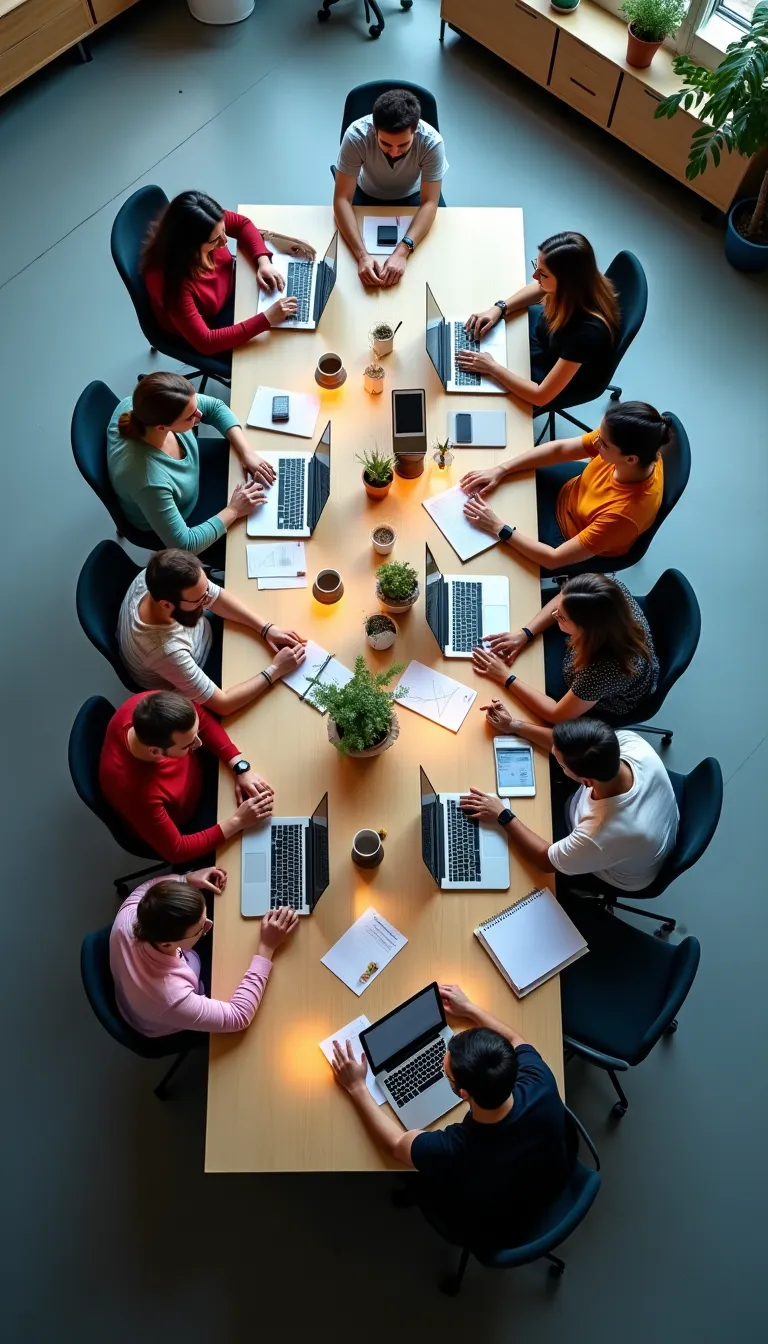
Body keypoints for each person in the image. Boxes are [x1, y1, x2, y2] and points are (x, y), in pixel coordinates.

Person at [331, 983, 568, 1247]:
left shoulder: (455, 1149)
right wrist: (469, 1009)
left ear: (463, 1093)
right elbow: (515, 1041)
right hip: (550, 1178)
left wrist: (356, 1087)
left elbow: (396, 1144)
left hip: (499, 1224)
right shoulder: (540, 1079)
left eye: (446, 1074)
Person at [461, 709, 679, 893]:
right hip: (648, 828)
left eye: (562, 765)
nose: (559, 763)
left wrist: (502, 814)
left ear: (586, 781)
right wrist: (515, 726)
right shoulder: (628, 743)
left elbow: (545, 861)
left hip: (615, 867)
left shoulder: (600, 834)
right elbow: (563, 747)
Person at [461, 401, 669, 569]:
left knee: (488, 552)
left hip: (567, 533)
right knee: (503, 486)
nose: (596, 443)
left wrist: (499, 528)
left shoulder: (623, 516)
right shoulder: (640, 450)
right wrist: (501, 469)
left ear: (631, 459)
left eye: (603, 444)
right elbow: (560, 449)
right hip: (575, 489)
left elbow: (553, 559)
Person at [110, 865, 298, 1036]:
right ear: (167, 944)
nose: (210, 925)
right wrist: (266, 947)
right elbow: (239, 1017)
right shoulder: (170, 995)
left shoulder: (132, 911)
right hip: (165, 1015)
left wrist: (188, 879)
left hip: (137, 989)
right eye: (201, 928)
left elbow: (148, 887)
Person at [117, 548, 306, 715]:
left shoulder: (154, 577)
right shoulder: (166, 651)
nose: (207, 599)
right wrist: (275, 670)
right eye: (199, 600)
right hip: (193, 669)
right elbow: (224, 705)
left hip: (196, 640)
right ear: (166, 604)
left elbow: (215, 596)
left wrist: (266, 628)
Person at [99, 690, 274, 864]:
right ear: (155, 751)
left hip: (199, 776)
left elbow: (201, 719)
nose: (199, 743)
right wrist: (238, 821)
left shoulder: (152, 705)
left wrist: (239, 765)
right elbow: (177, 850)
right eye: (189, 744)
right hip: (189, 821)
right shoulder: (135, 793)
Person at [108, 373, 271, 555]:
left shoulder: (141, 406)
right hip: (185, 512)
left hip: (190, 475)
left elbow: (215, 407)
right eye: (190, 417)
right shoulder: (149, 481)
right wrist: (234, 510)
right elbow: (185, 545)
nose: (199, 414)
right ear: (161, 427)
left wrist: (246, 452)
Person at [459, 231, 619, 409]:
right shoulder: (581, 284)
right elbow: (540, 288)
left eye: (543, 274)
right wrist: (499, 308)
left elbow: (540, 396)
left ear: (567, 282)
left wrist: (492, 368)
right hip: (546, 341)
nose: (535, 277)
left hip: (552, 373)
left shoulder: (586, 333)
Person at [472, 573, 659, 723]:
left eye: (561, 617)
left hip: (607, 696)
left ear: (585, 630)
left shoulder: (602, 672)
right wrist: (526, 634)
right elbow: (564, 598)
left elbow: (556, 714)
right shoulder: (606, 589)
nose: (554, 614)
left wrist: (505, 676)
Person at [142, 190, 304, 357]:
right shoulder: (173, 285)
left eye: (224, 231)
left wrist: (263, 262)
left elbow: (243, 224)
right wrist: (267, 318)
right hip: (211, 323)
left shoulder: (208, 222)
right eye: (215, 241)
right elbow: (206, 342)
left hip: (232, 289)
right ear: (189, 246)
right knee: (279, 348)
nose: (225, 241)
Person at [333, 88, 447, 289]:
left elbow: (430, 201)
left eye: (403, 145)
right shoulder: (356, 135)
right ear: (374, 129)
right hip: (366, 193)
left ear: (415, 130)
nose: (394, 152)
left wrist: (402, 252)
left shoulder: (432, 142)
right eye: (386, 144)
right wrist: (362, 255)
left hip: (411, 195)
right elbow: (342, 199)